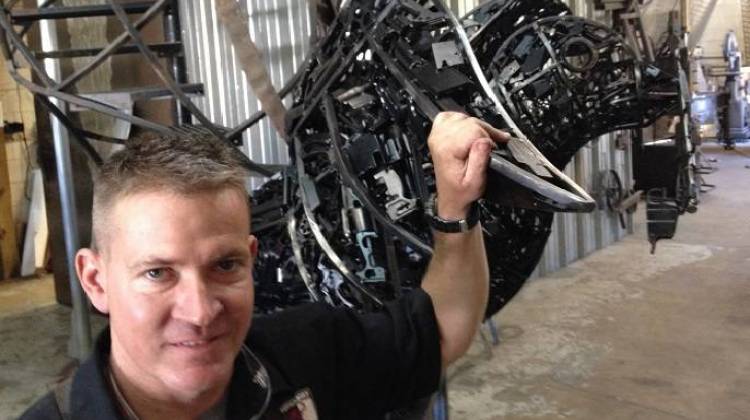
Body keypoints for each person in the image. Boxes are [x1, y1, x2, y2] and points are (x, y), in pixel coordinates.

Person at [21, 112, 509, 419]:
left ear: (250, 260)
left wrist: (455, 207)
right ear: (96, 281)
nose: (200, 310)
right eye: (158, 273)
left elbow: (442, 328)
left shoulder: (305, 355)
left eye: (224, 265)